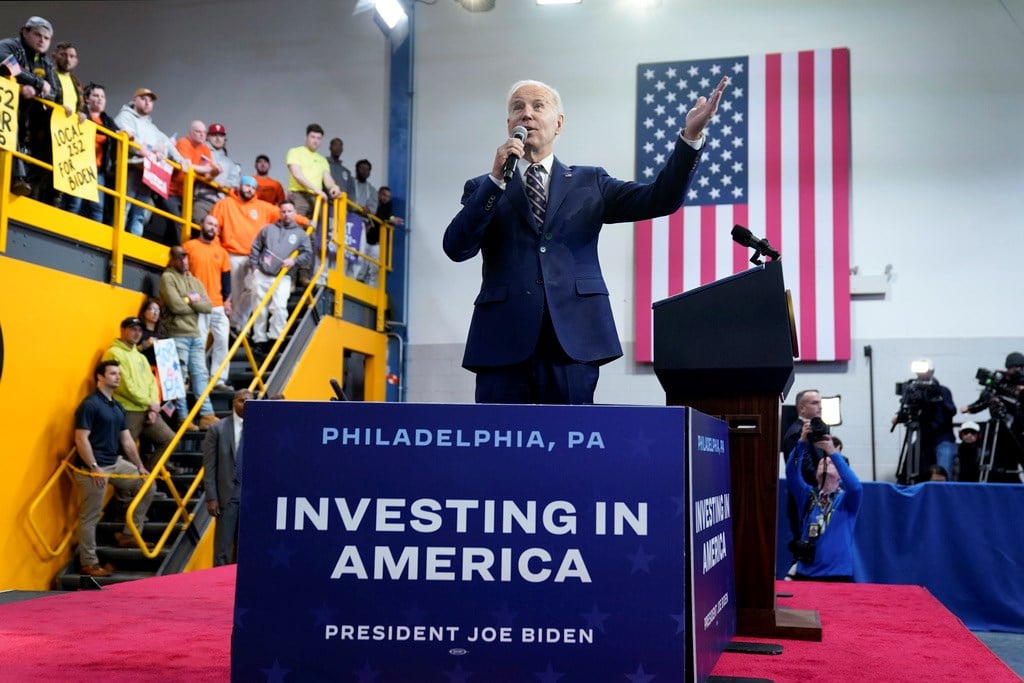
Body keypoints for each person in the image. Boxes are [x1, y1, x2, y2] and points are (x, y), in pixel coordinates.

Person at [442, 77, 727, 405]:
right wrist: (495, 180)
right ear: (509, 124)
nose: (527, 114)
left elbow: (661, 198)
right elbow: (456, 247)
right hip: (502, 342)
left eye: (538, 106)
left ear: (559, 123)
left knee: (570, 435)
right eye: (518, 108)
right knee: (500, 435)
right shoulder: (484, 187)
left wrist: (690, 138)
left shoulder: (590, 181)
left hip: (572, 343)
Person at [73, 360, 156, 577]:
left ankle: (129, 535)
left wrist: (140, 466)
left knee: (147, 485)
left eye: (119, 373)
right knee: (90, 516)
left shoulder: (117, 406)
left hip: (114, 462)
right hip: (92, 467)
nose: (117, 377)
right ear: (100, 377)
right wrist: (94, 467)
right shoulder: (90, 404)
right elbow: (81, 439)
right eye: (112, 373)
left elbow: (127, 440)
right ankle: (89, 563)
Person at [209, 176, 299, 331]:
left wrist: (307, 222)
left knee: (255, 288)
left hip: (254, 257)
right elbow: (213, 228)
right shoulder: (225, 204)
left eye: (252, 187)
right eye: (247, 186)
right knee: (235, 294)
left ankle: (236, 323)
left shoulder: (263, 207)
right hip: (232, 255)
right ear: (240, 186)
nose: (249, 190)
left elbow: (286, 214)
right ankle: (238, 329)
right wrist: (217, 250)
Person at [785, 421, 862, 581]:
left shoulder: (845, 500)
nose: (826, 462)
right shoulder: (809, 495)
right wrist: (801, 442)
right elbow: (791, 472)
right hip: (805, 572)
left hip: (836, 574)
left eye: (831, 463)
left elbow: (855, 487)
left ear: (840, 475)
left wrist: (832, 452)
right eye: (822, 463)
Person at [158, 245, 220, 430]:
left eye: (185, 257)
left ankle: (207, 415)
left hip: (195, 334)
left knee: (201, 375)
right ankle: (183, 418)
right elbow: (175, 306)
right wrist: (192, 301)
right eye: (179, 257)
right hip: (176, 334)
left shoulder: (195, 281)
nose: (183, 261)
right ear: (172, 259)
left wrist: (186, 300)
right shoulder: (167, 277)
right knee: (180, 378)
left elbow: (208, 307)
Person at [101, 316, 176, 469]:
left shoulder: (140, 357)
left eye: (139, 330)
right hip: (127, 410)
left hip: (147, 409)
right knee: (124, 451)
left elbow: (151, 382)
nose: (136, 333)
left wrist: (153, 406)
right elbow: (123, 385)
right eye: (132, 329)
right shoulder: (113, 353)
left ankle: (145, 479)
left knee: (169, 439)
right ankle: (127, 484)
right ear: (122, 330)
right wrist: (149, 403)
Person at [0, 16, 60, 198]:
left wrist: (35, 91)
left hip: (27, 117)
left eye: (46, 38)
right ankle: (18, 178)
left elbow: (54, 92)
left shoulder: (46, 62)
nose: (42, 40)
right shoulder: (9, 45)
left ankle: (31, 186)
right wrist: (36, 83)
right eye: (37, 35)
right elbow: (7, 64)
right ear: (25, 32)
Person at [114, 87, 185, 240]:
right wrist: (153, 149)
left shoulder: (152, 127)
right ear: (134, 100)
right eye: (143, 99)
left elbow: (167, 144)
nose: (147, 103)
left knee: (140, 213)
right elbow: (128, 139)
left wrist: (181, 160)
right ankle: (117, 240)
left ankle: (133, 244)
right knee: (123, 207)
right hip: (130, 168)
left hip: (147, 173)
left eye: (150, 100)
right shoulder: (125, 117)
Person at [248, 201, 312, 352]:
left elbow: (308, 253)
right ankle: (259, 339)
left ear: (295, 213)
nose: (286, 214)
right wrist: (255, 268)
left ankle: (276, 338)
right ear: (280, 213)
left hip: (283, 276)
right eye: (283, 211)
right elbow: (255, 247)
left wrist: (294, 261)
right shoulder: (268, 229)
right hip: (262, 274)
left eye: (289, 211)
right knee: (259, 308)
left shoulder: (301, 234)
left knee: (279, 307)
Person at [184, 214, 233, 391]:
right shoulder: (189, 247)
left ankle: (219, 379)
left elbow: (226, 278)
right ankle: (200, 378)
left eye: (215, 225)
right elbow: (182, 274)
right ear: (201, 225)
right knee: (200, 342)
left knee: (223, 340)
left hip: (218, 303)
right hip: (198, 304)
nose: (212, 227)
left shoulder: (222, 252)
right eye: (209, 224)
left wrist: (228, 300)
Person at [203, 388, 250, 566]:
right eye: (241, 400)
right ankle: (217, 582)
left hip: (250, 497)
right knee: (222, 551)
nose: (245, 404)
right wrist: (211, 497)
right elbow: (209, 466)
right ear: (233, 402)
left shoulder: (261, 429)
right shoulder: (217, 429)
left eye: (249, 401)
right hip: (226, 497)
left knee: (244, 551)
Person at [892, 359, 957, 484]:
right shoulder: (913, 390)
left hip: (942, 437)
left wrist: (938, 399)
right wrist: (899, 417)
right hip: (923, 438)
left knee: (944, 470)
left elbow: (952, 410)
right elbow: (909, 410)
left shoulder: (942, 390)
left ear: (931, 372)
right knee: (911, 462)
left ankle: (946, 492)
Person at [78, 83, 120, 224]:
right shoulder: (81, 113)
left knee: (97, 206)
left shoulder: (107, 121)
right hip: (79, 165)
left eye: (102, 96)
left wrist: (126, 134)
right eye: (96, 95)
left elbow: (119, 133)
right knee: (75, 201)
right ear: (87, 99)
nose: (100, 99)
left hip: (98, 169)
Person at [52, 41, 86, 213]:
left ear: (76, 61)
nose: (67, 59)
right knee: (45, 176)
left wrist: (82, 114)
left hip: (68, 139)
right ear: (54, 56)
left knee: (62, 184)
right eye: (63, 55)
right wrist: (58, 107)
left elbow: (80, 106)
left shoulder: (77, 83)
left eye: (72, 56)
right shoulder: (49, 75)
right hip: (48, 134)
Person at [168, 120, 219, 229]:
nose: (202, 135)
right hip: (170, 192)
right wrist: (207, 169)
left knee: (184, 226)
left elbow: (207, 175)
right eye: (198, 131)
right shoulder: (183, 142)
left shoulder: (205, 149)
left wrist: (214, 172)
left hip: (187, 194)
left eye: (204, 132)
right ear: (190, 132)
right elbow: (187, 166)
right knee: (178, 223)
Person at [285, 123, 341, 218]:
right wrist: (316, 190)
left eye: (319, 138)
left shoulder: (322, 159)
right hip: (299, 196)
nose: (315, 141)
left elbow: (327, 178)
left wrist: (334, 187)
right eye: (313, 137)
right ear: (306, 137)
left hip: (317, 198)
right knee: (297, 225)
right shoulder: (295, 152)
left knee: (318, 226)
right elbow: (297, 174)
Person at [199, 122, 241, 217]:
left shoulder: (229, 162)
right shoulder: (201, 150)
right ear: (208, 137)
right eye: (214, 135)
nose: (218, 138)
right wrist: (216, 180)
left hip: (221, 205)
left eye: (221, 136)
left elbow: (236, 182)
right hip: (201, 200)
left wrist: (226, 183)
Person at [137, 296, 163, 366]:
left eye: (158, 310)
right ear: (144, 312)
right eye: (152, 309)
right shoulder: (138, 332)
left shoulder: (161, 333)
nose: (156, 313)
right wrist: (145, 344)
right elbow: (131, 352)